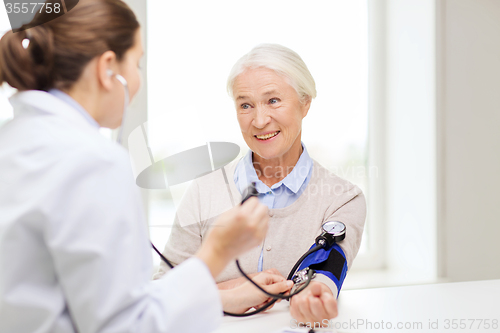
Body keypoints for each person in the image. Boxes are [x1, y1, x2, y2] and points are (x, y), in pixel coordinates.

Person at [0, 2, 293, 332]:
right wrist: (217, 252)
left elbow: (91, 300)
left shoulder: (12, 141)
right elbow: (127, 326)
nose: (138, 80)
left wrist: (224, 297)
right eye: (137, 63)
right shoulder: (92, 162)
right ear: (108, 68)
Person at [155, 44, 367, 323]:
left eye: (273, 100)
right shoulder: (203, 191)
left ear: (305, 103)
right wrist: (231, 293)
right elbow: (161, 291)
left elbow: (326, 275)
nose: (259, 120)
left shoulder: (343, 199)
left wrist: (315, 294)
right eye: (245, 105)